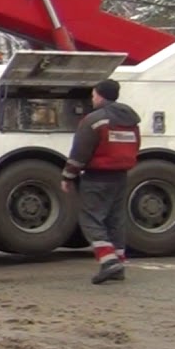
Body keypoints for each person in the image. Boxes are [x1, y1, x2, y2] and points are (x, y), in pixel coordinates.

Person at [61, 78, 141, 285]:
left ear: (100, 95)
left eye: (94, 94)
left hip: (97, 176)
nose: (92, 98)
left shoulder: (94, 120)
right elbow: (136, 146)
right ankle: (118, 264)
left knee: (90, 218)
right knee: (115, 220)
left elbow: (80, 151)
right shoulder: (130, 119)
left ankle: (108, 261)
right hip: (121, 175)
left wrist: (68, 176)